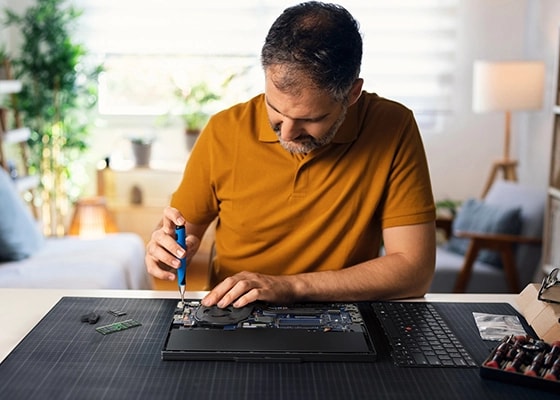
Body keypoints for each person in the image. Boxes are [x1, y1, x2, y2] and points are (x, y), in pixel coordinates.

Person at [145, 1, 437, 309]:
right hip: (232, 317)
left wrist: (291, 287)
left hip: (343, 317)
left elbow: (413, 270)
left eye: (310, 120)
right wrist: (162, 250)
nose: (286, 134)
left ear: (352, 94)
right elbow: (179, 233)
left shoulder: (392, 126)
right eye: (275, 110)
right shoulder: (223, 130)